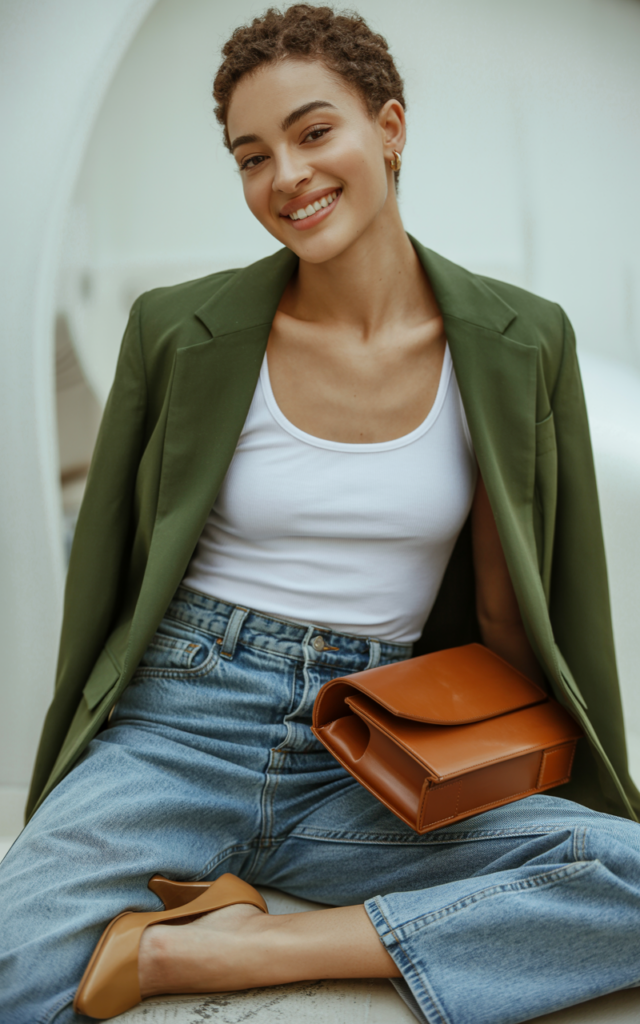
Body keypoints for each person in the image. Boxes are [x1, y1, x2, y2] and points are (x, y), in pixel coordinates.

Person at [1, 4, 639, 1023]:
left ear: (388, 127)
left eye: (311, 132)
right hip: (179, 724)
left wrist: (512, 777)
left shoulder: (519, 341)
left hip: (370, 752)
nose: (284, 177)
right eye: (251, 156)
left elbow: (514, 602)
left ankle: (212, 952)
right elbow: (109, 576)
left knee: (630, 876)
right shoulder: (178, 330)